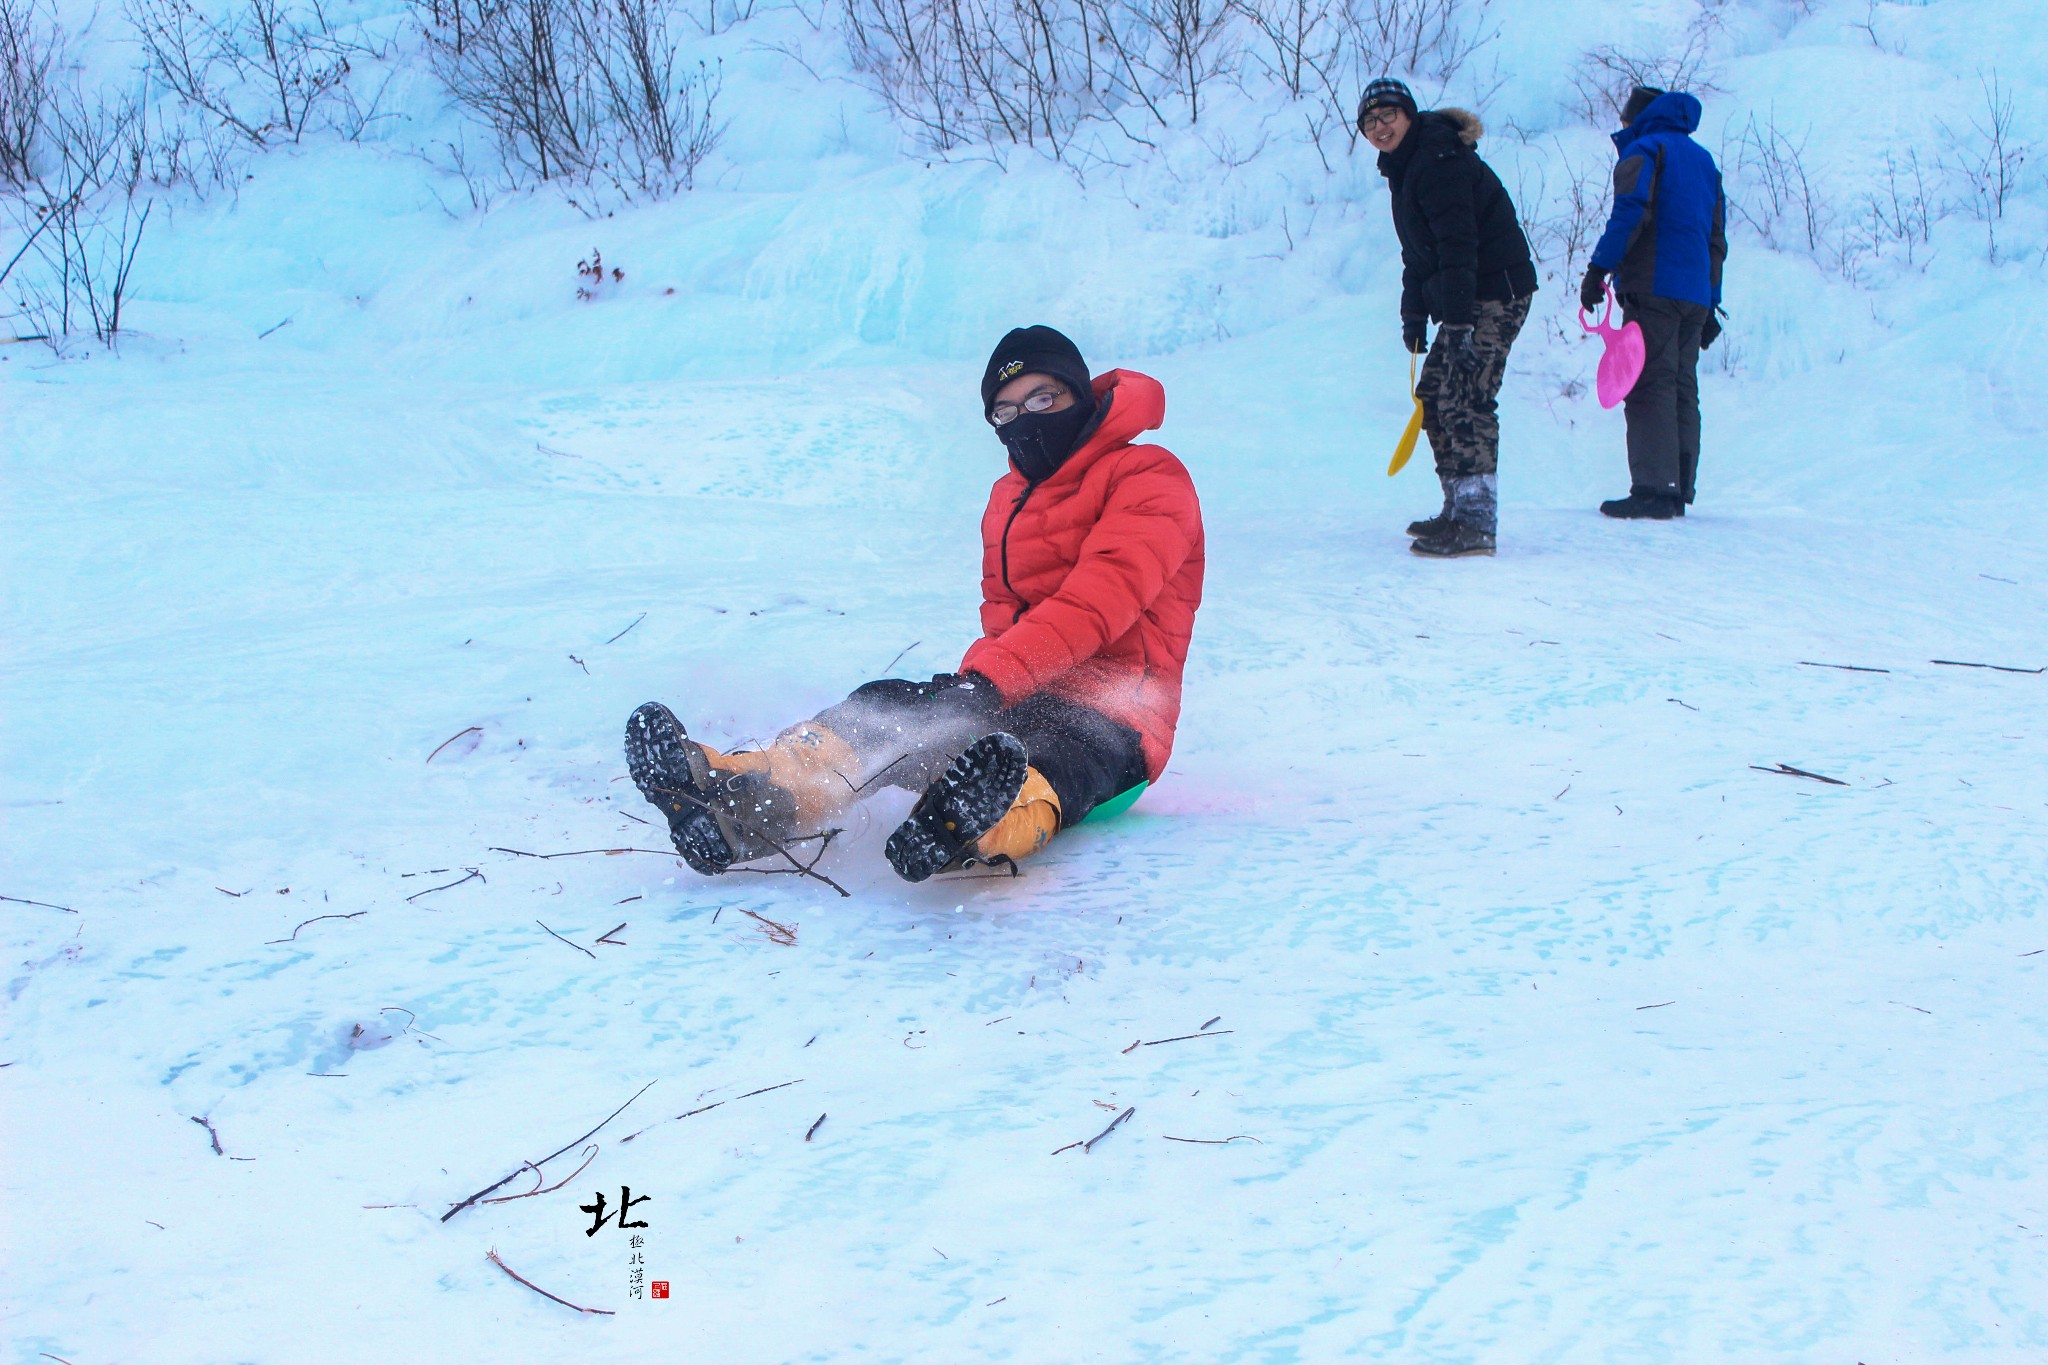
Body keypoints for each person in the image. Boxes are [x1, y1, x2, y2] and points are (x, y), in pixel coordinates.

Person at [624, 326, 1205, 885]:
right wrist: (958, 695)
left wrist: (988, 683)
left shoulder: (1150, 477)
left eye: (1042, 397)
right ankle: (749, 800)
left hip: (1117, 719)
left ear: (1079, 393)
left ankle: (972, 826)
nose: (1024, 420)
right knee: (891, 709)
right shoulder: (1010, 498)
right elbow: (1005, 620)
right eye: (1006, 412)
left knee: (1040, 752)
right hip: (1023, 689)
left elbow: (1095, 603)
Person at [1357, 77, 1538, 558]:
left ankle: (1477, 523)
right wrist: (1414, 316)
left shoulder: (1438, 160)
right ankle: (1459, 509)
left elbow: (1460, 244)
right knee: (1435, 396)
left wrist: (1456, 323)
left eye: (1387, 115)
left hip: (1496, 290)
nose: (1379, 127)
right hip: (1469, 296)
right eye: (1369, 122)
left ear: (1409, 115)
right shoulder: (1407, 168)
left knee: (1467, 398)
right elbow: (1419, 254)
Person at [1581, 85, 1728, 520]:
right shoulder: (1704, 162)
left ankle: (1654, 489)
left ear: (1635, 118)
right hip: (1694, 295)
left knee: (1649, 383)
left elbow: (1630, 212)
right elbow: (1715, 239)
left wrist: (1598, 269)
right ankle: (1677, 487)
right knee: (1682, 386)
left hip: (1654, 286)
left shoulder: (1644, 149)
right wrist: (1711, 300)